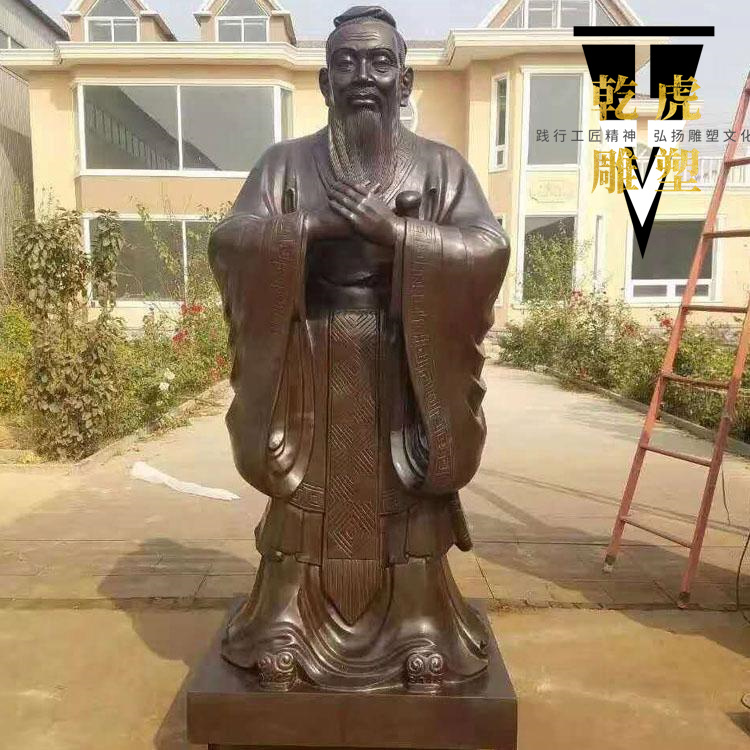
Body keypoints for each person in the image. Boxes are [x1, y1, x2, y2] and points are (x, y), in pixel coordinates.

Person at [209, 5, 510, 692]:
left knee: (405, 499)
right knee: (305, 500)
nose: (363, 77)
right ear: (325, 81)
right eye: (346, 63)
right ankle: (285, 622)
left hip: (406, 365)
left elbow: (487, 249)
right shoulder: (283, 163)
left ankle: (418, 626)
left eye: (379, 62)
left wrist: (394, 234)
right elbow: (230, 242)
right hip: (310, 363)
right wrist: (309, 227)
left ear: (405, 81)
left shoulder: (441, 167)